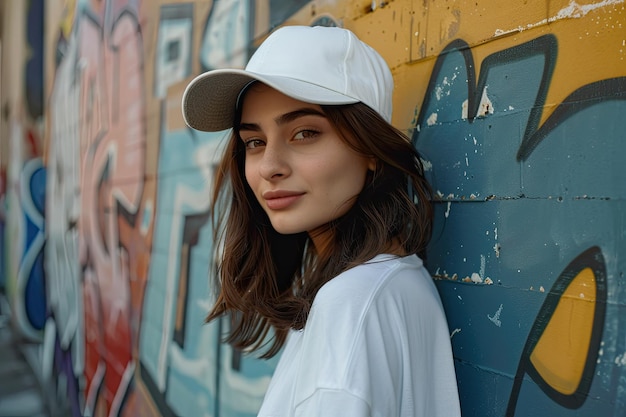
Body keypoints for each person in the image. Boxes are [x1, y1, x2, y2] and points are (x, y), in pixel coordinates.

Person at [182, 25, 461, 417]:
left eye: (304, 133)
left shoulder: (349, 304)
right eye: (254, 142)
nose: (270, 167)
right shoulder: (388, 284)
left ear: (371, 150)